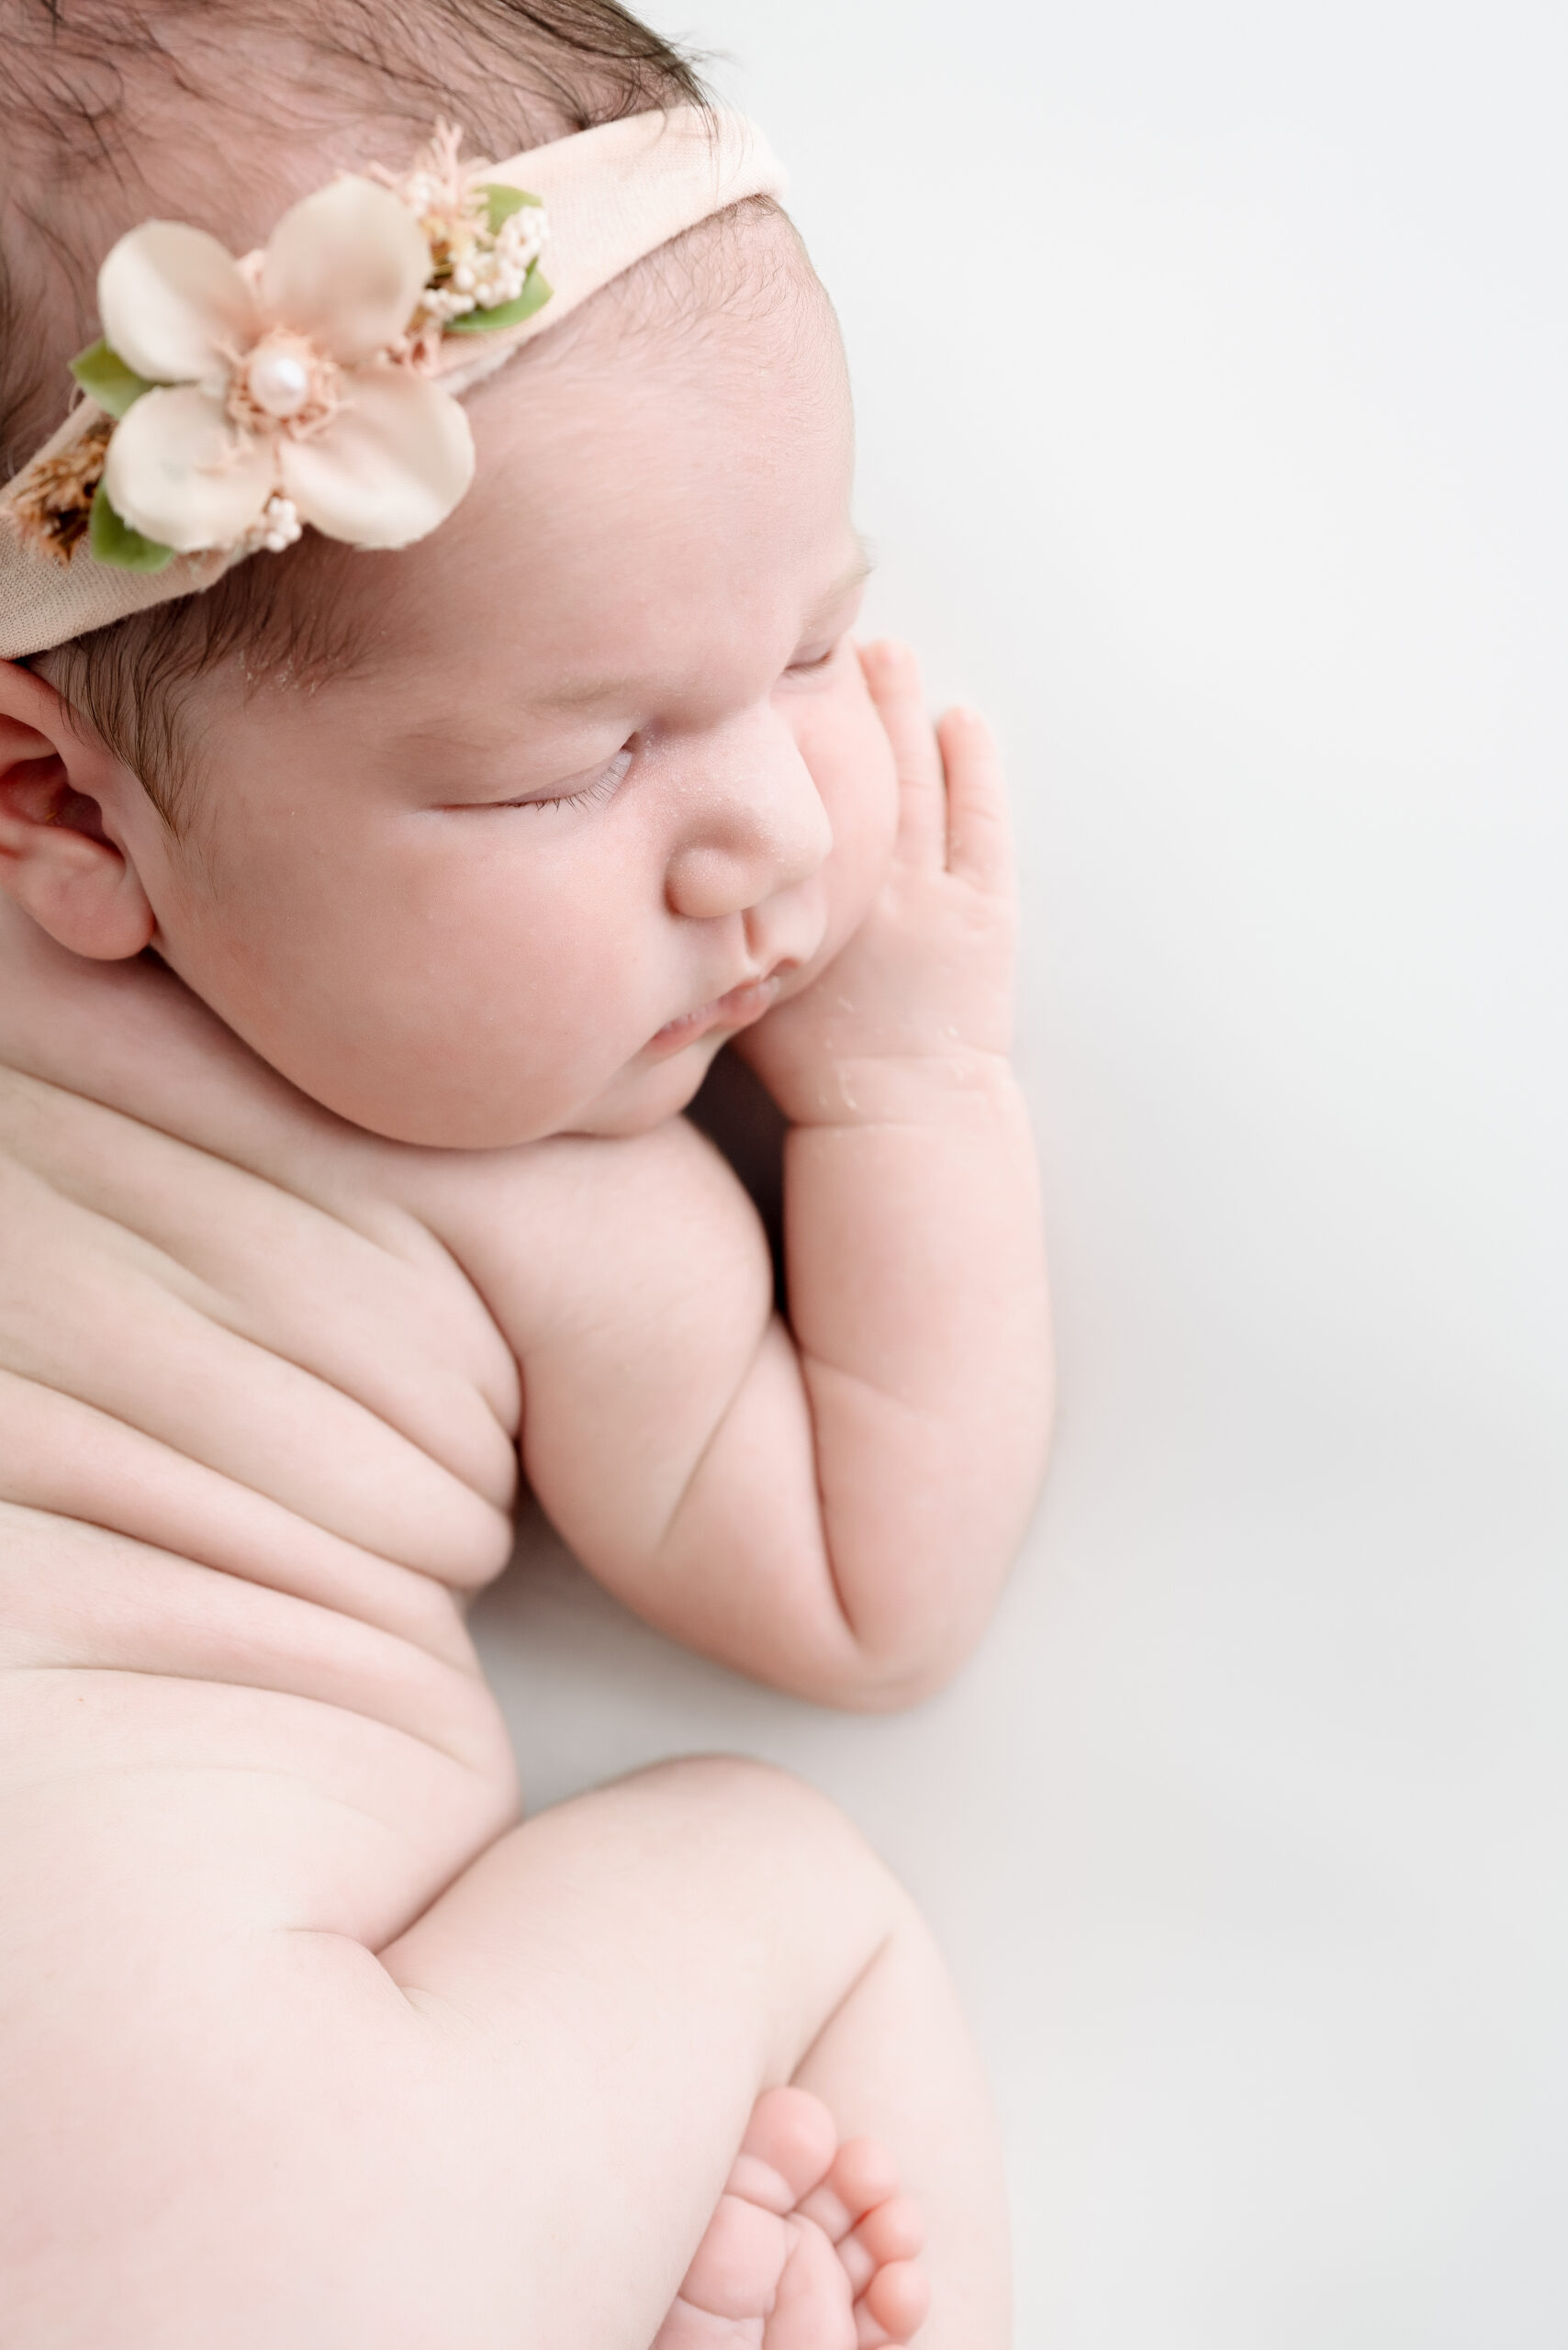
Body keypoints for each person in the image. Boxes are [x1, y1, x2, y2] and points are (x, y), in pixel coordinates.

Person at [0, 3, 1052, 2341]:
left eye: (814, 646)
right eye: (567, 770)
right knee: (778, 1869)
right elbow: (871, 1589)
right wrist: (904, 1087)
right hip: (197, 2169)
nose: (770, 831)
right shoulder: (524, 1187)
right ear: (61, 802)